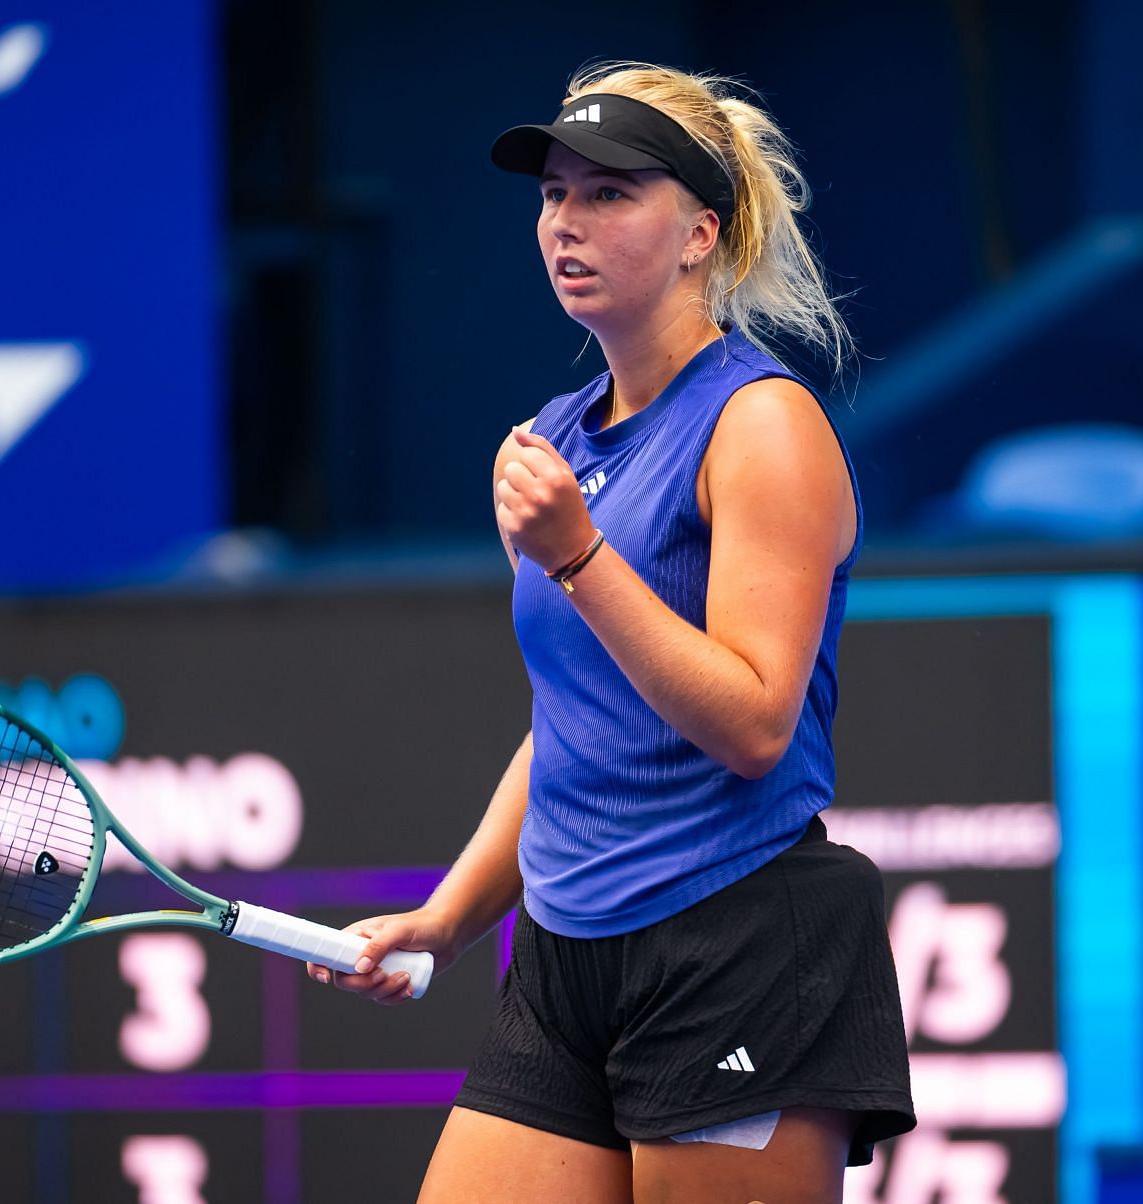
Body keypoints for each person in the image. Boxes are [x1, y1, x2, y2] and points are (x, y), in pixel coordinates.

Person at [307, 64, 915, 1203]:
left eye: (609, 193)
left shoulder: (763, 425)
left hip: (736, 942)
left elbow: (753, 724)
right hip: (564, 960)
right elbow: (576, 726)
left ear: (700, 234)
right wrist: (446, 917)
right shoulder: (551, 441)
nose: (565, 223)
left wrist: (581, 556)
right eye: (554, 194)